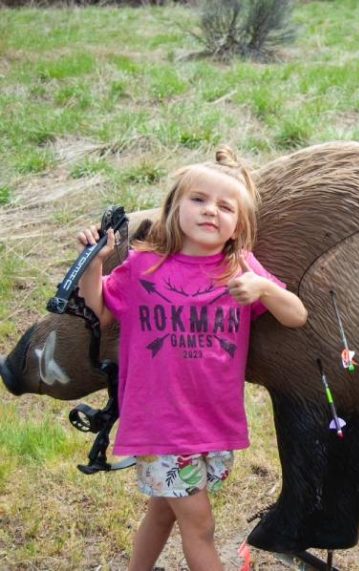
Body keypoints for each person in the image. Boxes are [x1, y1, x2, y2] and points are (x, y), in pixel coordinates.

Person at [76, 147, 308, 571]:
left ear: (239, 225)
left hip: (212, 419)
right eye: (198, 200)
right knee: (199, 528)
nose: (210, 212)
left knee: (163, 510)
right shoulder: (145, 266)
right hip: (160, 422)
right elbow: (101, 312)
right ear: (174, 207)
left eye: (225, 206)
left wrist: (265, 289)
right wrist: (95, 264)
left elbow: (296, 315)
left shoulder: (240, 268)